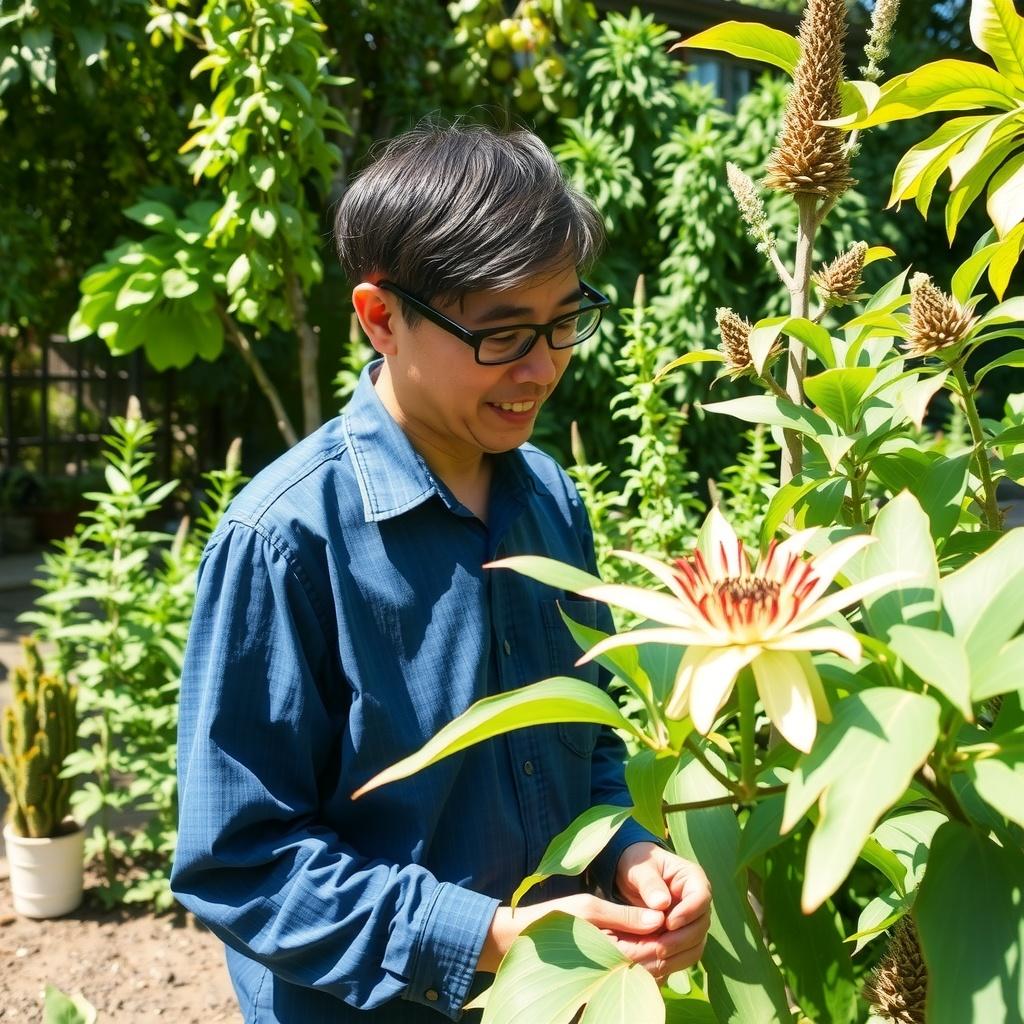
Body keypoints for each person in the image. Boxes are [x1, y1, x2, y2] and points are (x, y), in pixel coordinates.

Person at [171, 119, 712, 1023]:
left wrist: (626, 849)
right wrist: (487, 939)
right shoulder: (285, 539)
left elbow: (590, 742)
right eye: (501, 335)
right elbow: (240, 861)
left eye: (565, 321)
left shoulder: (550, 498)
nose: (542, 369)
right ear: (381, 318)